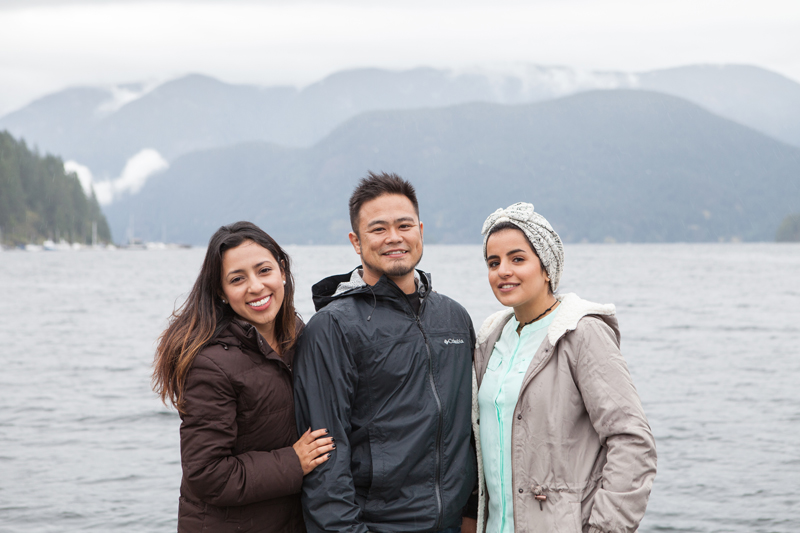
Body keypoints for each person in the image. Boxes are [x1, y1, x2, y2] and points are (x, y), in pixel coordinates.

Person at [293, 172, 477, 533]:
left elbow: (470, 430)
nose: (394, 237)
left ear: (420, 231)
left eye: (404, 225)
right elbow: (326, 458)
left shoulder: (454, 318)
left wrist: (470, 516)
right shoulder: (332, 327)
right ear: (356, 241)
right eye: (378, 229)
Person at [470, 203, 657, 533]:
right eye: (493, 262)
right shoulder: (491, 337)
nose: (503, 271)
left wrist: (603, 529)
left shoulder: (582, 333)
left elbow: (632, 441)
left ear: (546, 268)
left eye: (517, 259)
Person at [152, 221, 334, 533]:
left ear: (282, 271)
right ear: (221, 292)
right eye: (237, 279)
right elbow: (207, 474)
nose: (256, 286)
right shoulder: (211, 364)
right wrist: (294, 461)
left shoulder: (298, 336)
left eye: (264, 270)